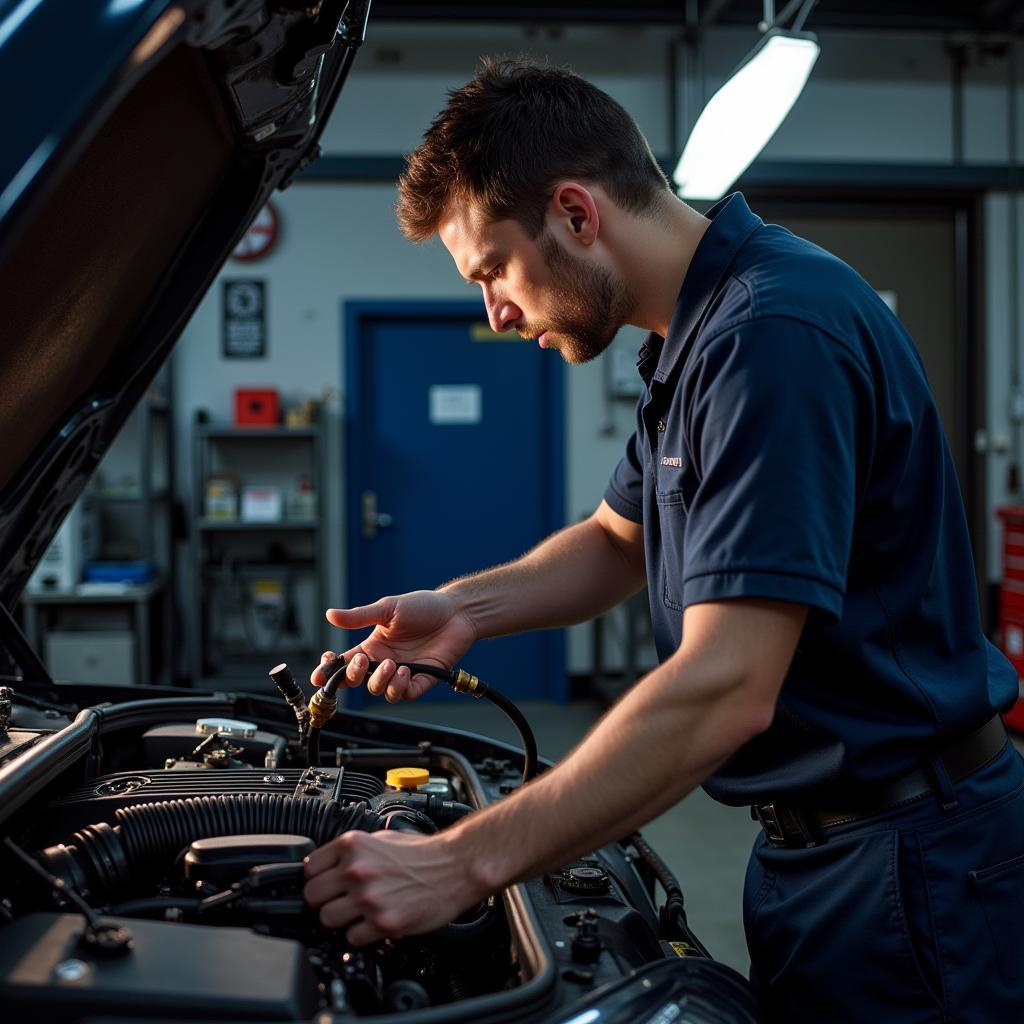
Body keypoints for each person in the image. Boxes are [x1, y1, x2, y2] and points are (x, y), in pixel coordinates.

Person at [301, 57, 1024, 1022]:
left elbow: (725, 686)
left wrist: (460, 863)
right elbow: (614, 539)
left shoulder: (772, 334)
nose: (495, 315)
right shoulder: (696, 339)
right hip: (822, 853)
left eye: (492, 273)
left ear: (575, 213)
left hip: (913, 859)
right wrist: (462, 611)